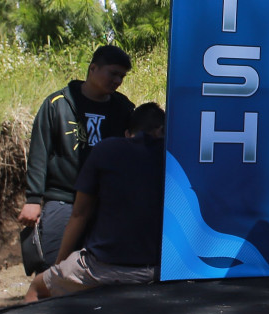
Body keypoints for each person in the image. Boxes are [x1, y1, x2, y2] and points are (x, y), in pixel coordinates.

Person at [25, 102, 165, 301]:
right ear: (162, 130)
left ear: (127, 134)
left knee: (36, 289)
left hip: (100, 269)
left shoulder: (106, 150)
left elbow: (79, 214)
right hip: (157, 271)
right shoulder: (173, 158)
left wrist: (58, 266)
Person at [19, 45, 135, 274]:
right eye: (113, 73)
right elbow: (39, 153)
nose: (117, 81)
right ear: (93, 68)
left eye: (122, 76)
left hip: (105, 203)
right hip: (63, 199)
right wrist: (33, 198)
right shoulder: (57, 104)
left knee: (103, 270)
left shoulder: (124, 108)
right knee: (54, 268)